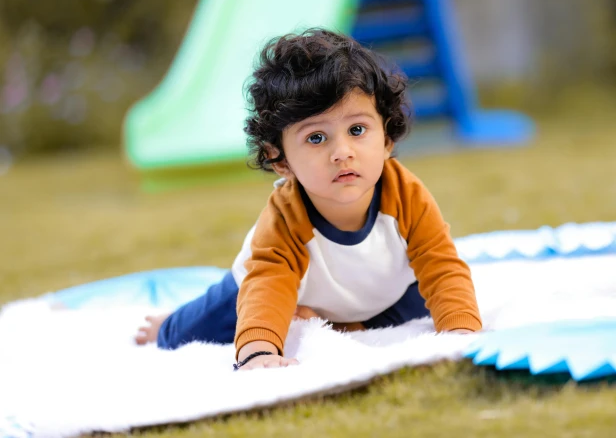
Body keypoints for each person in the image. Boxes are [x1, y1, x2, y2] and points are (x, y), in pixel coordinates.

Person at [136, 29, 482, 370]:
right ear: (281, 159)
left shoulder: (406, 195)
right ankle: (169, 323)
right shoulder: (286, 217)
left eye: (357, 130)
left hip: (379, 289)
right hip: (270, 285)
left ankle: (334, 319)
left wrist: (462, 333)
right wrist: (259, 352)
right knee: (196, 330)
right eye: (317, 137)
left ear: (387, 137)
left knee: (427, 303)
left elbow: (441, 265)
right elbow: (268, 285)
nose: (342, 152)